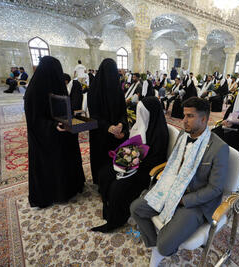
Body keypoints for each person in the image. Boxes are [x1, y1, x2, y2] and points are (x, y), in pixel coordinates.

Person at [130, 97, 229, 267]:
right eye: (184, 116)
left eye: (190, 116)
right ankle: (155, 243)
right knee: (136, 209)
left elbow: (215, 188)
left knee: (165, 246)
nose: (183, 121)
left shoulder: (219, 148)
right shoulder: (184, 135)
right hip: (172, 188)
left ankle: (163, 246)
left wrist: (183, 200)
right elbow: (175, 162)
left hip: (194, 202)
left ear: (204, 119)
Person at [92, 96, 169, 233]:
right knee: (104, 173)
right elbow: (132, 143)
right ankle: (107, 205)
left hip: (145, 170)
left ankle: (117, 219)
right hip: (132, 162)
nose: (139, 116)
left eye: (142, 113)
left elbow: (155, 159)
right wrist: (126, 158)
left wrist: (133, 163)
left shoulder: (159, 132)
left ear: (150, 114)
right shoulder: (142, 126)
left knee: (118, 186)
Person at [24, 56, 85, 208]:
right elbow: (34, 120)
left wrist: (72, 120)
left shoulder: (58, 86)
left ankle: (68, 189)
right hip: (44, 138)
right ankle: (54, 193)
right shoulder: (34, 92)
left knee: (64, 161)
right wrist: (52, 126)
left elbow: (65, 108)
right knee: (51, 165)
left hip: (62, 133)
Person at [88, 58, 129, 185]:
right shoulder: (94, 91)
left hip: (117, 133)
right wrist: (108, 127)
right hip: (100, 133)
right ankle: (101, 182)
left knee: (116, 161)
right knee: (101, 160)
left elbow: (123, 113)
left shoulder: (118, 90)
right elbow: (94, 116)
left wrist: (121, 125)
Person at [212, 86, 239, 152]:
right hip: (227, 127)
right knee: (214, 132)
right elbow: (226, 117)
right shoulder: (234, 106)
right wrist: (225, 121)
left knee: (229, 138)